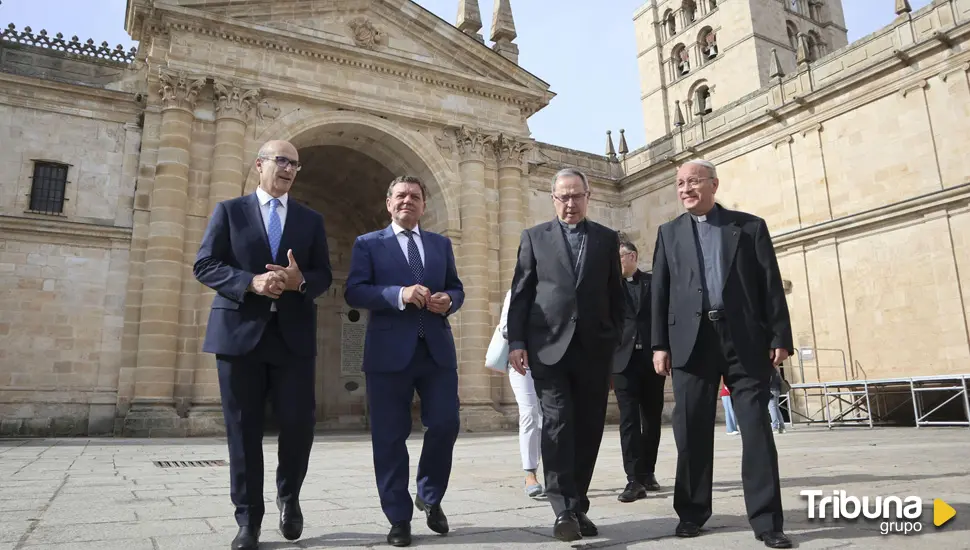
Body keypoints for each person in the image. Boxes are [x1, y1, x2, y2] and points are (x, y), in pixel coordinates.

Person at [193, 140, 333, 550]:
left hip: (293, 338)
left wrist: (300, 281)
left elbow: (324, 273)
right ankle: (248, 520)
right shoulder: (229, 212)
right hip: (239, 336)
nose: (289, 169)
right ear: (260, 165)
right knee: (242, 430)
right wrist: (249, 282)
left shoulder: (310, 220)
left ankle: (289, 497)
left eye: (295, 164)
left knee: (298, 425)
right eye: (281, 161)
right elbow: (204, 263)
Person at [650, 158, 794, 549]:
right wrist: (659, 344)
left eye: (693, 182)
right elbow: (659, 292)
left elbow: (770, 284)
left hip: (744, 339)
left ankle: (767, 522)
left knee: (757, 430)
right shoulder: (668, 233)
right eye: (680, 183)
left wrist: (780, 334)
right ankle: (692, 514)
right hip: (692, 343)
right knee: (691, 430)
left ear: (714, 184)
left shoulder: (749, 227)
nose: (685, 189)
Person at [344, 175, 464, 548]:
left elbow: (456, 287)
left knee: (446, 424)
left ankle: (429, 494)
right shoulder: (368, 244)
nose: (407, 201)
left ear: (423, 205)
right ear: (389, 203)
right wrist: (399, 293)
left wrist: (449, 300)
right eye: (400, 195)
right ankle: (398, 517)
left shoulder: (440, 244)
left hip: (436, 350)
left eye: (414, 196)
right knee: (389, 438)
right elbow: (354, 291)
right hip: (387, 354)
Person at [506, 167, 624, 542]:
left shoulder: (607, 239)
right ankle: (562, 510)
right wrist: (517, 343)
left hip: (593, 349)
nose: (570, 203)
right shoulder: (534, 237)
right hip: (548, 348)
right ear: (553, 198)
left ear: (587, 197)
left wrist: (615, 341)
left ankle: (577, 505)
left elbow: (615, 295)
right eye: (563, 197)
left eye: (576, 196)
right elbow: (521, 292)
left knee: (589, 428)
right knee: (557, 425)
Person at [612, 240, 665, 503]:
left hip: (651, 360)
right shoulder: (609, 287)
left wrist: (664, 349)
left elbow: (664, 317)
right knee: (628, 421)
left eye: (619, 257)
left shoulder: (653, 282)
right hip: (622, 363)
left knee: (652, 419)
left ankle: (648, 471)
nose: (616, 261)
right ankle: (633, 478)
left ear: (631, 256)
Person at [497, 289, 544, 498]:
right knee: (529, 413)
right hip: (521, 363)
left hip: (550, 360)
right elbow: (506, 326)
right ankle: (530, 474)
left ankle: (554, 473)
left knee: (548, 416)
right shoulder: (516, 292)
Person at [767, 370, 785, 434]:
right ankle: (782, 427)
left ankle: (775, 427)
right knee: (776, 408)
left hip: (771, 390)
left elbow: (767, 382)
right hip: (777, 390)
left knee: (772, 409)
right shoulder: (776, 370)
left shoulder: (768, 371)